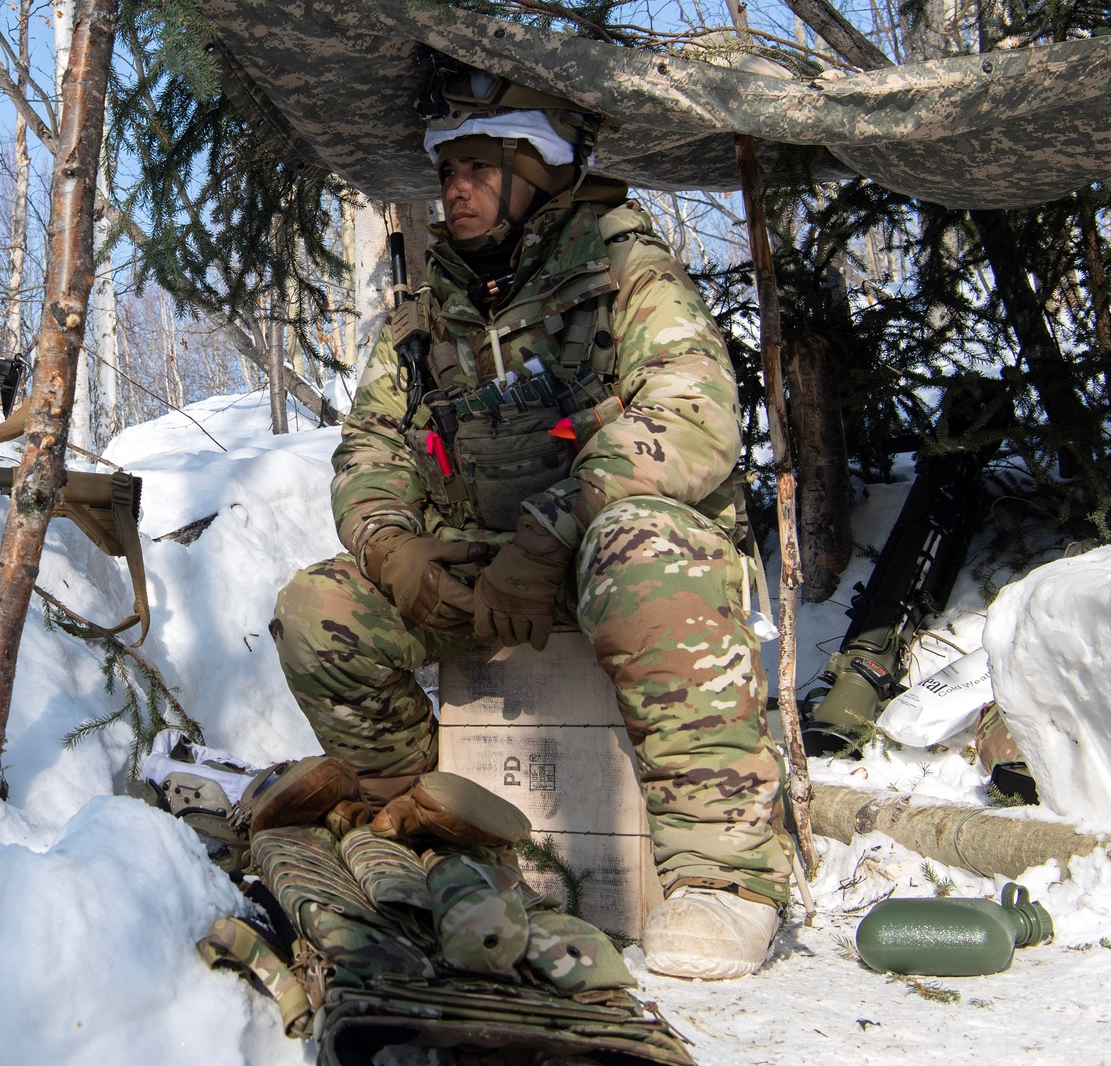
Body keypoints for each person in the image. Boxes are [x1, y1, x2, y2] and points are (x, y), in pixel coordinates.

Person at [268, 97, 790, 980]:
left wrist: (551, 531)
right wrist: (392, 544)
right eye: (445, 174)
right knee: (320, 607)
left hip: (600, 562)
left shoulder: (629, 272)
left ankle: (724, 876)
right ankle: (416, 814)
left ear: (536, 173)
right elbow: (370, 448)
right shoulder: (428, 313)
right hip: (483, 572)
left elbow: (694, 418)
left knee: (644, 550)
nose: (455, 191)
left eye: (477, 170)